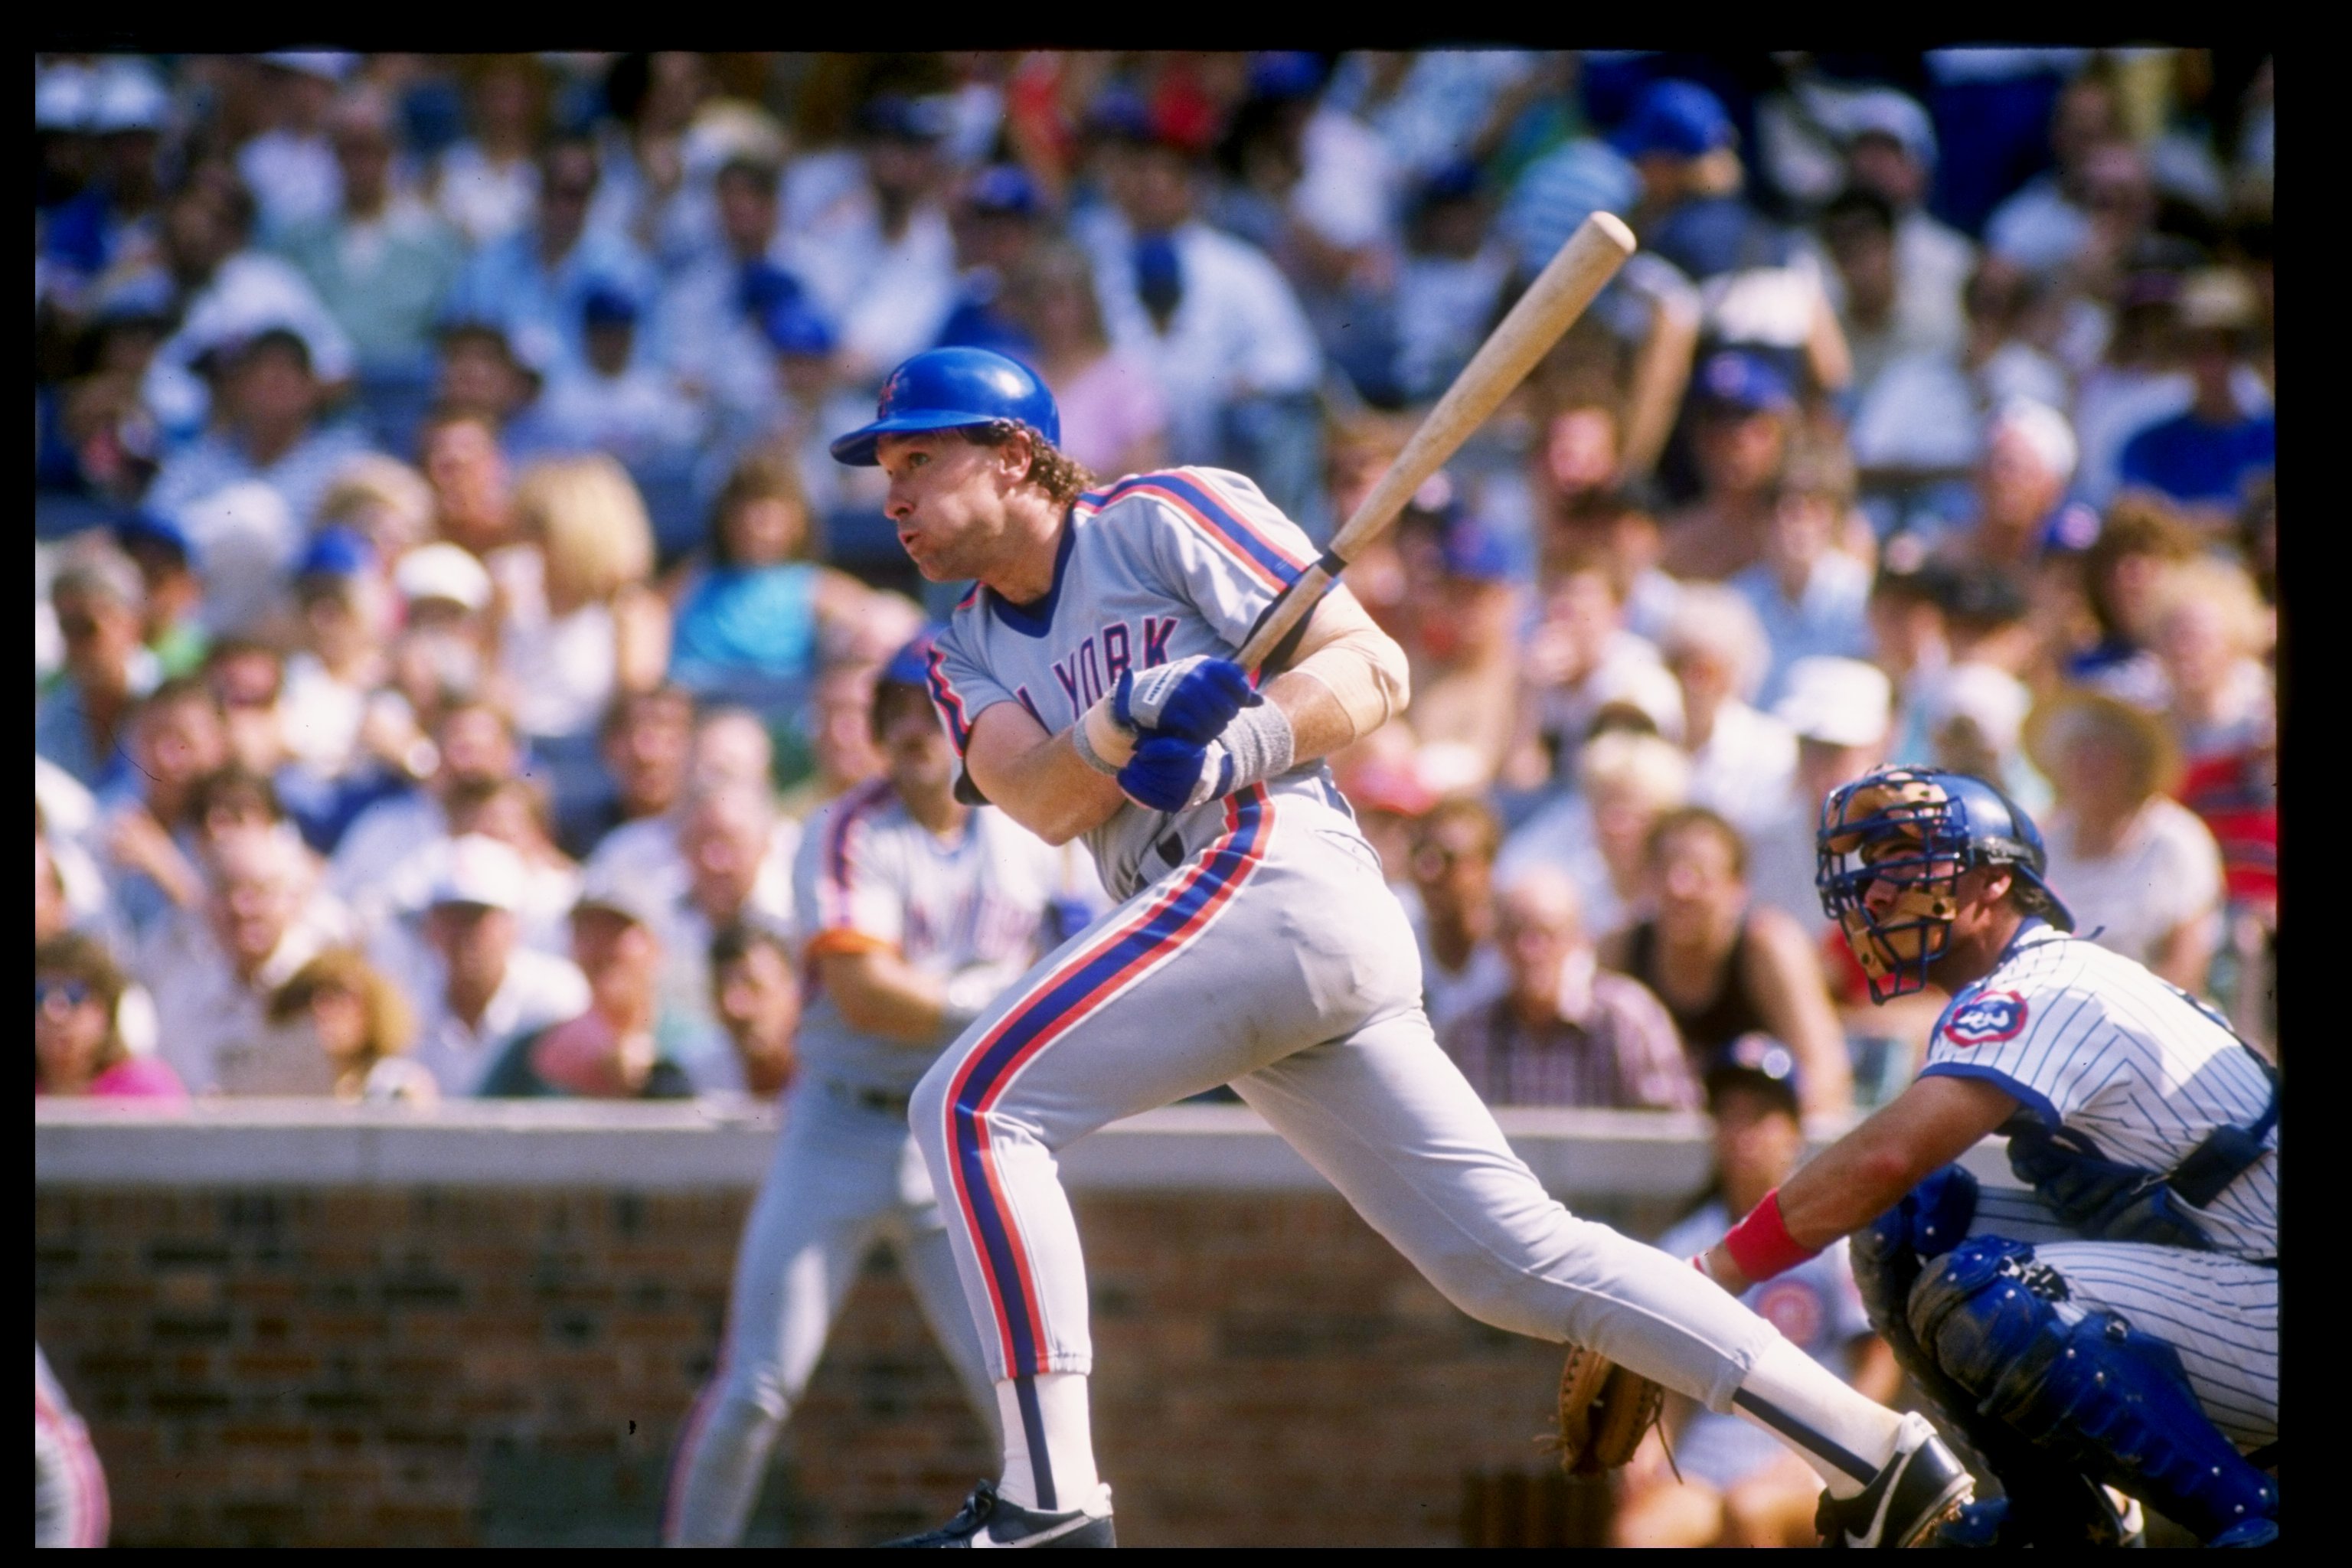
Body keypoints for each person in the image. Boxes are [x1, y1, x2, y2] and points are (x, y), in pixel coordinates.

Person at [833, 346, 1971, 1547]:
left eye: (919, 460)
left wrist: (1234, 747)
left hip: (1275, 876)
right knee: (1510, 1264)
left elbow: (1374, 668)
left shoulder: (1161, 516)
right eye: (886, 470)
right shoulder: (956, 647)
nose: (892, 495)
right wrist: (1124, 719)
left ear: (1016, 457)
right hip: (1217, 947)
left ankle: (1049, 1501)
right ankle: (1878, 1451)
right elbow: (1044, 798)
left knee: (968, 1107)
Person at [1692, 766, 2276, 1546]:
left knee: (1993, 1292)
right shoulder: (2021, 983)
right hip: (2224, 1265)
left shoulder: (2049, 981)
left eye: (1904, 859)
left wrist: (1704, 1278)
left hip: (2264, 1281)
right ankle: (2063, 1519)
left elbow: (1883, 1157)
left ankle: (2249, 1520)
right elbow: (1898, 1185)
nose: (1875, 895)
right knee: (1915, 1222)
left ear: (1994, 880)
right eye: (1868, 873)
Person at [663, 637, 1081, 1545]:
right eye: (889, 709)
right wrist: (992, 999)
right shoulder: (845, 828)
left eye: (925, 704)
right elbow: (865, 994)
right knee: (758, 1386)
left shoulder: (1025, 830)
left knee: (1020, 1391)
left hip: (963, 1132)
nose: (908, 725)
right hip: (841, 1125)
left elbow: (1076, 945)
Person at [1614, 1034, 1899, 1547]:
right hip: (1709, 1459)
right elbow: (1671, 1375)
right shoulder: (1688, 1242)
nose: (1743, 1133)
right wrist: (1651, 1447)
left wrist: (1837, 1446)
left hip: (1812, 1454)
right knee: (1642, 1533)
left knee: (1753, 1516)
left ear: (1793, 1131)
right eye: (1730, 1114)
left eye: (1760, 1115)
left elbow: (1880, 1358)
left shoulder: (1832, 1235)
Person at [1603, 807, 1853, 1117]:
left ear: (1738, 888)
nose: (1679, 888)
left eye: (1700, 874)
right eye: (1665, 869)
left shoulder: (1767, 949)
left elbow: (1826, 1078)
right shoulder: (1621, 950)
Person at [1439, 870, 1696, 1110]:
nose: (1530, 950)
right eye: (1514, 933)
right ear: (1495, 941)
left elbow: (1673, 1133)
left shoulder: (1625, 1021)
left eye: (1548, 933)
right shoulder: (1471, 1034)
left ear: (1579, 939)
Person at [2024, 691, 2224, 994]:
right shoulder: (2044, 842)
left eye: (2103, 752)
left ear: (2135, 764)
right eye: (2078, 750)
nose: (2089, 765)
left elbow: (2187, 967)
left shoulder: (2176, 842)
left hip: (2156, 1016)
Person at [379, 833, 591, 1097]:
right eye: (452, 918)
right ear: (431, 927)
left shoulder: (559, 997)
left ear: (514, 926)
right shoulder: (403, 1004)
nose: (465, 934)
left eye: (478, 918)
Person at [477, 865, 697, 1100]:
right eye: (587, 932)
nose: (600, 949)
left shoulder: (695, 1045)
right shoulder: (532, 1052)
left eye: (615, 932)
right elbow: (475, 1122)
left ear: (656, 948)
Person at [267, 947, 437, 1104]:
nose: (321, 1008)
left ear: (375, 1008)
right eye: (309, 995)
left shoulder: (398, 1085)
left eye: (340, 994)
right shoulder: (283, 1087)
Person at [34, 933, 186, 1100]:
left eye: (74, 994)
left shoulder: (144, 1088)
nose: (53, 1013)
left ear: (106, 1009)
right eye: (39, 995)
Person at [705, 922, 799, 1101]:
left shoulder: (841, 1076)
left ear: (793, 992)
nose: (734, 1008)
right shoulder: (695, 1079)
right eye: (721, 991)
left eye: (755, 987)